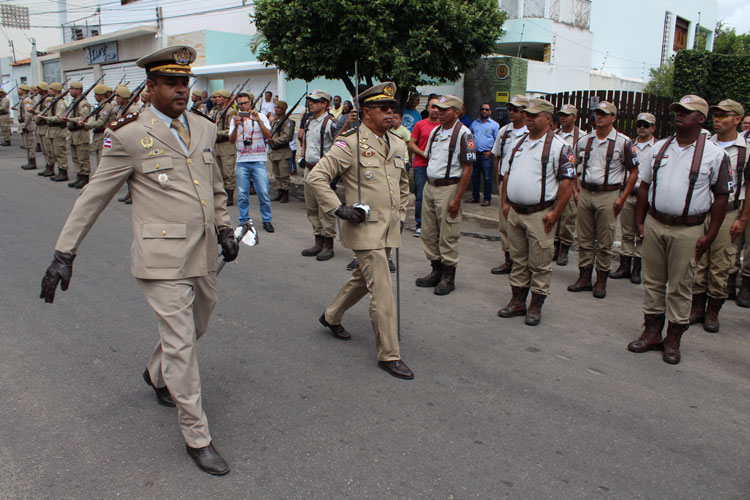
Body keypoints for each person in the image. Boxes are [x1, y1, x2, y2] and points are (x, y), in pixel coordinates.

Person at [39, 46, 237, 475]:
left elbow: (215, 186)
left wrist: (224, 227)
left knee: (199, 323)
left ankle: (154, 372)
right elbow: (93, 197)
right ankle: (197, 436)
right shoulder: (129, 136)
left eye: (186, 82)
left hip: (202, 253)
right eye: (171, 83)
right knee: (182, 343)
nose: (182, 90)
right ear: (151, 89)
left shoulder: (203, 127)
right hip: (161, 257)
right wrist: (63, 253)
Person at [306, 82, 414, 380]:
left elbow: (403, 185)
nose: (390, 114)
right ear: (366, 112)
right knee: (381, 288)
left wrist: (402, 215)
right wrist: (338, 208)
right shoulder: (349, 144)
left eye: (393, 108)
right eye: (383, 108)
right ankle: (389, 354)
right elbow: (317, 178)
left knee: (362, 280)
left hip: (389, 228)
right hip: (364, 228)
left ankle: (331, 316)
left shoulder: (397, 142)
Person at [627, 95, 731, 365]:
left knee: (681, 285)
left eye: (687, 112)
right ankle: (651, 332)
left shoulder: (715, 155)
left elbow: (721, 197)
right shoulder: (659, 148)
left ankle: (673, 338)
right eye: (678, 111)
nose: (679, 115)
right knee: (653, 282)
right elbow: (644, 185)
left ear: (701, 119)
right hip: (656, 223)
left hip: (689, 229)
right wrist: (640, 221)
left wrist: (710, 235)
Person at [497, 98, 576, 325]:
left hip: (539, 214)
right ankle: (517, 301)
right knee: (518, 259)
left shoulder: (560, 146)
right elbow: (507, 172)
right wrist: (504, 201)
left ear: (548, 119)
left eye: (534, 116)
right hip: (516, 212)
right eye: (527, 115)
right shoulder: (518, 142)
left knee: (540, 262)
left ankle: (536, 306)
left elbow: (567, 182)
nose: (528, 119)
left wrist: (555, 213)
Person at [567, 101, 639, 299]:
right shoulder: (584, 140)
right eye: (597, 113)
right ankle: (584, 277)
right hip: (586, 192)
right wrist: (575, 189)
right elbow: (572, 165)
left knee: (606, 239)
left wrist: (622, 197)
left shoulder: (623, 142)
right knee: (584, 238)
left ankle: (601, 280)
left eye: (604, 114)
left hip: (609, 194)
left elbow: (634, 171)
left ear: (613, 118)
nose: (599, 117)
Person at [688, 99, 749, 331]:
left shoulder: (745, 150)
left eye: (724, 115)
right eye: (716, 114)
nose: (718, 119)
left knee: (721, 262)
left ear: (737, 119)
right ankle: (696, 307)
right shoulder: (703, 144)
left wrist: (743, 219)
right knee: (699, 260)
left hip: (729, 212)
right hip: (702, 211)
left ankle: (712, 311)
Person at [415, 94, 476, 295]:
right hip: (430, 186)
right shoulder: (435, 132)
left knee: (448, 233)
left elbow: (468, 168)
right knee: (429, 231)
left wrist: (458, 198)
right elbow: (431, 158)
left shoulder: (464, 134)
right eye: (436, 109)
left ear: (456, 112)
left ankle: (448, 276)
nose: (438, 112)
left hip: (449, 187)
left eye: (443, 110)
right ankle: (436, 270)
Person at [611, 112, 655, 284]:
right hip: (630, 192)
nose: (642, 128)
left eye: (646, 125)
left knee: (642, 232)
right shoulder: (628, 144)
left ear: (653, 127)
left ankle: (637, 268)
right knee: (627, 231)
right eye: (640, 125)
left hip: (647, 195)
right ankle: (624, 266)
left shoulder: (658, 147)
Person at [490, 95, 529, 274]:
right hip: (505, 183)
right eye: (510, 110)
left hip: (522, 184)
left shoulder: (530, 133)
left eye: (516, 110)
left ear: (525, 112)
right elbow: (497, 155)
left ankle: (523, 262)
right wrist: (499, 179)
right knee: (504, 225)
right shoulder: (504, 131)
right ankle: (509, 260)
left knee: (523, 226)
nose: (511, 113)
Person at [300, 90, 338, 260]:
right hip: (309, 168)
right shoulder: (309, 121)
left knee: (325, 208)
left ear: (325, 104)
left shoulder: (330, 123)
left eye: (315, 101)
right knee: (312, 207)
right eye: (310, 101)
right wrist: (301, 157)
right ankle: (318, 241)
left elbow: (338, 147)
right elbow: (305, 142)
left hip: (323, 170)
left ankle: (328, 244)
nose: (311, 103)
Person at [230, 92, 274, 232]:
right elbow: (231, 140)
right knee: (243, 194)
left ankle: (267, 220)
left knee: (263, 193)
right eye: (240, 103)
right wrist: (237, 126)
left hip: (258, 160)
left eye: (245, 102)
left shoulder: (260, 116)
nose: (243, 105)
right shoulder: (235, 119)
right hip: (242, 160)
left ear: (251, 102)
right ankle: (244, 220)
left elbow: (269, 136)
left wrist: (258, 121)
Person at [553, 103, 582, 266]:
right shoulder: (554, 134)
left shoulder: (581, 138)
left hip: (571, 182)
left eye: (567, 115)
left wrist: (576, 188)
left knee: (569, 216)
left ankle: (564, 247)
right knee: (554, 213)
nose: (563, 118)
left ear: (574, 117)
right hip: (555, 181)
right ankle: (555, 245)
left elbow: (580, 165)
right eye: (561, 115)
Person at [407, 96, 441, 237]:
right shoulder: (420, 125)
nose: (435, 110)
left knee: (437, 197)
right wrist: (424, 154)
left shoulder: (444, 126)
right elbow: (411, 144)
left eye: (438, 107)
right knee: (420, 196)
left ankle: (434, 227)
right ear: (427, 108)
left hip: (439, 166)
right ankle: (420, 224)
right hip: (421, 165)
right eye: (432, 107)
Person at [62, 81, 93, 189]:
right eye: (70, 88)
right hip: (73, 133)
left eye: (73, 89)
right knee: (75, 157)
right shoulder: (74, 102)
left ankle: (85, 178)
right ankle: (79, 176)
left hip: (80, 133)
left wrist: (69, 119)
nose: (71, 90)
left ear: (79, 90)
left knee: (83, 157)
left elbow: (83, 118)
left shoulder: (83, 103)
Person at [467, 102, 499, 206]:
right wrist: (470, 151)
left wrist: (491, 152)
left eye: (486, 109)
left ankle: (487, 198)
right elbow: (469, 138)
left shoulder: (494, 125)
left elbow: (497, 140)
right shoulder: (474, 123)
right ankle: (475, 197)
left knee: (487, 178)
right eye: (482, 109)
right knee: (475, 177)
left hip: (486, 156)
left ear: (490, 111)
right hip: (475, 155)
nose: (484, 111)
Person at [210, 89, 238, 206]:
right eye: (216, 97)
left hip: (227, 145)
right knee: (219, 173)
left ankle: (230, 196)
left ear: (226, 99)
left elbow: (231, 131)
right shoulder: (215, 112)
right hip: (217, 145)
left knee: (228, 173)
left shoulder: (230, 112)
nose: (217, 99)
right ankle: (221, 196)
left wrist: (217, 132)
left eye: (220, 97)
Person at [267, 99, 295, 204]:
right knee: (277, 175)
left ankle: (285, 194)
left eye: (279, 108)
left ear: (284, 110)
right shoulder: (275, 121)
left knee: (284, 175)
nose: (277, 109)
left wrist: (274, 141)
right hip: (274, 151)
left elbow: (287, 137)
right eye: (276, 107)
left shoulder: (288, 122)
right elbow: (271, 133)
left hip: (283, 151)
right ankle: (279, 192)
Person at [42, 82, 70, 183]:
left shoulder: (61, 102)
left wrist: (46, 118)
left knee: (59, 152)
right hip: (52, 130)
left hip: (58, 130)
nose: (48, 91)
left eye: (51, 89)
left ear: (56, 90)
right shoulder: (54, 101)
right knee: (54, 152)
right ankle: (59, 171)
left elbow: (59, 117)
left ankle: (63, 172)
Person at [82, 84, 114, 166]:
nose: (95, 96)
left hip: (105, 136)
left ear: (101, 95)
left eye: (96, 94)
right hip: (98, 136)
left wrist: (87, 125)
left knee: (104, 160)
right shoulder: (100, 105)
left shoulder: (106, 107)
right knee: (99, 160)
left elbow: (101, 122)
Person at [35, 82, 56, 177]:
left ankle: (50, 167)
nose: (37, 90)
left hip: (45, 125)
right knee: (44, 149)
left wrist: (35, 112)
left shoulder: (48, 99)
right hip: (40, 126)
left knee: (48, 149)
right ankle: (47, 165)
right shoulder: (42, 98)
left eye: (38, 88)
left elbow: (47, 112)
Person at [19, 84, 38, 170]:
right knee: (27, 144)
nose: (18, 90)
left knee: (30, 144)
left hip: (28, 124)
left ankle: (32, 162)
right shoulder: (23, 99)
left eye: (20, 89)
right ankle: (29, 161)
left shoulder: (26, 100)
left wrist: (25, 125)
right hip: (25, 123)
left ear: (23, 90)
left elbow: (28, 114)